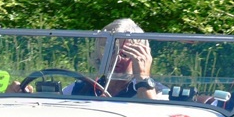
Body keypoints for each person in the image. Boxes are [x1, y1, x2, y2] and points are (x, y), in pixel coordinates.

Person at [9, 18, 163, 100]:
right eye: (108, 51)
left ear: (141, 57)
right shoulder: (83, 88)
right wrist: (19, 96)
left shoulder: (158, 92)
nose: (113, 59)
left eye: (124, 54)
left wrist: (143, 78)